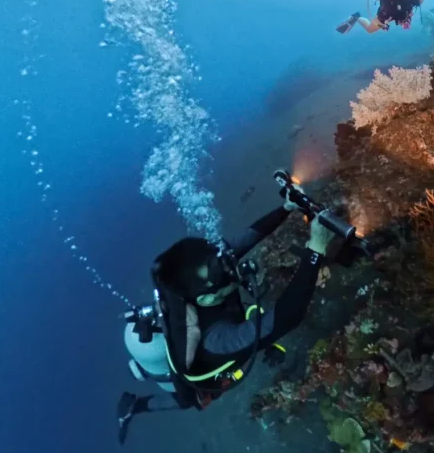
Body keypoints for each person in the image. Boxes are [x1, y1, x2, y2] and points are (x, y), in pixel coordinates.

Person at [116, 185, 337, 445]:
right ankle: (136, 405)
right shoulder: (215, 341)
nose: (229, 264)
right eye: (223, 272)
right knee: (192, 401)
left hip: (183, 331)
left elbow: (247, 238)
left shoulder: (197, 272)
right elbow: (288, 316)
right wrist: (315, 249)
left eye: (220, 260)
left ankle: (142, 374)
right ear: (206, 299)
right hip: (193, 374)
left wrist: (286, 208)